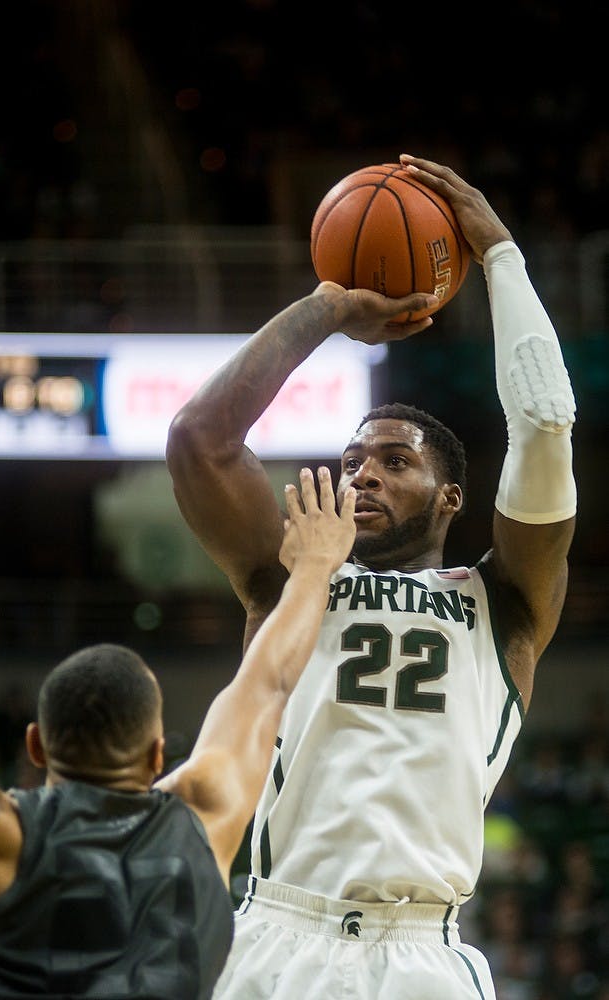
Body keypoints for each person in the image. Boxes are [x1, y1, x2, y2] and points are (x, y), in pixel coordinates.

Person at [165, 154, 577, 999]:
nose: (363, 475)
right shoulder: (292, 577)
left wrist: (500, 256)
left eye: (394, 461)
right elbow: (197, 439)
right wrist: (325, 308)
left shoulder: (502, 604)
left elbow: (542, 424)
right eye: (351, 459)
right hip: (279, 927)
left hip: (425, 949)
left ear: (451, 496)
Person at [0, 466, 357, 1000]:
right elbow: (269, 682)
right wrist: (316, 566)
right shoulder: (207, 809)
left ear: (36, 746)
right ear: (158, 753)